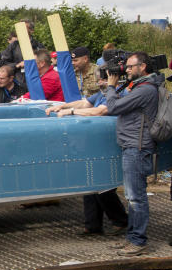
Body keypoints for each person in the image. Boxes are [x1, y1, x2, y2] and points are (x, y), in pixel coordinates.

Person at [46, 87, 129, 236]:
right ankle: (93, 225)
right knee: (90, 185)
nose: (100, 80)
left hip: (108, 145)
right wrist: (62, 106)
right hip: (95, 145)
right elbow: (85, 103)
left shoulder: (118, 93)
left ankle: (121, 220)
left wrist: (70, 112)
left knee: (103, 187)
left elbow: (100, 111)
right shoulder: (104, 92)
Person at [104, 52, 161, 256]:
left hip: (137, 148)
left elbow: (113, 107)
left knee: (135, 197)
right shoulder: (140, 87)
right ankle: (132, 238)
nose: (126, 70)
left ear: (143, 66)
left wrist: (111, 86)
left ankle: (138, 241)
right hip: (132, 146)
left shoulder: (145, 90)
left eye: (129, 67)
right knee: (132, 195)